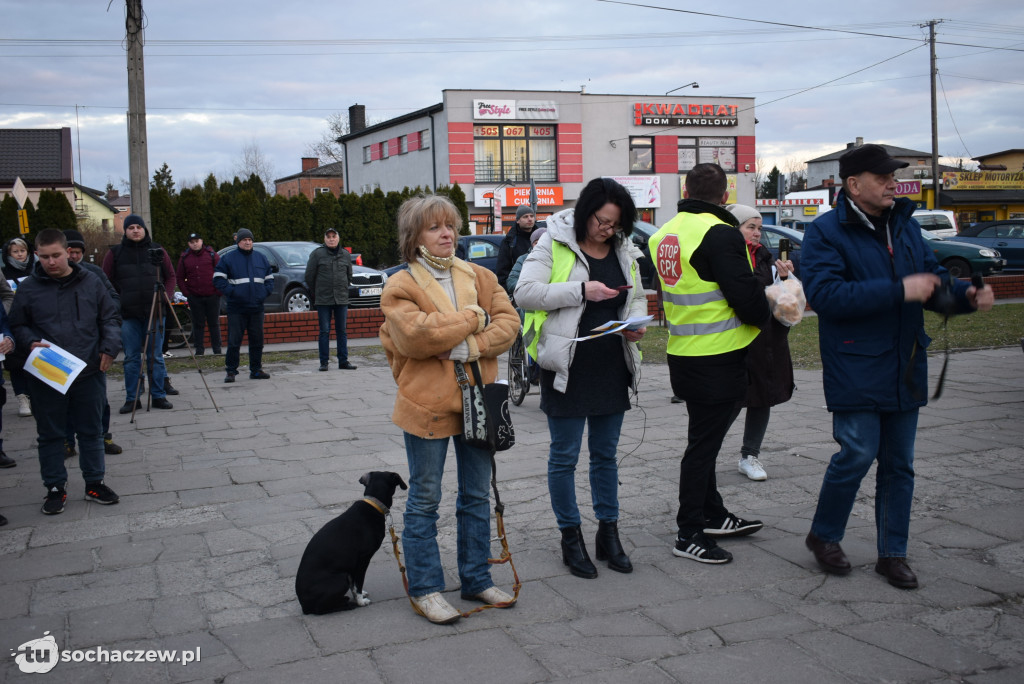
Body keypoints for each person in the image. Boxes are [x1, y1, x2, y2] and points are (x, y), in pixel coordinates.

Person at [801, 143, 994, 589]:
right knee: (856, 454)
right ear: (854, 184)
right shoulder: (826, 232)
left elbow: (930, 281)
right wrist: (899, 290)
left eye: (895, 176)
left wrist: (964, 297)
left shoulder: (904, 226)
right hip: (855, 363)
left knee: (900, 465)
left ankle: (893, 553)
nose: (894, 183)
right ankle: (824, 535)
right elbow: (827, 297)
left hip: (905, 362)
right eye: (884, 176)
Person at [380, 195, 519, 624]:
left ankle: (476, 577)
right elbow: (415, 338)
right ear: (414, 236)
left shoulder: (479, 275)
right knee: (424, 499)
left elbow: (510, 324)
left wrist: (466, 345)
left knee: (476, 496)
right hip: (426, 406)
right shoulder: (400, 284)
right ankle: (425, 588)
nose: (446, 234)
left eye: (451, 226)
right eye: (434, 227)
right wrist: (474, 319)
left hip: (479, 402)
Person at [514, 178, 647, 579]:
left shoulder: (623, 247)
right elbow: (525, 293)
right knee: (565, 457)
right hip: (565, 365)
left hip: (610, 363)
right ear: (586, 211)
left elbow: (635, 292)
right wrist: (580, 290)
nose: (607, 230)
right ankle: (570, 537)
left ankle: (609, 532)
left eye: (615, 224)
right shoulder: (553, 241)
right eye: (602, 222)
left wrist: (633, 323)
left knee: (605, 455)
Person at [648, 163, 771, 565]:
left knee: (704, 440)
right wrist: (767, 301)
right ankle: (689, 531)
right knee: (703, 447)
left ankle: (714, 515)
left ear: (686, 189)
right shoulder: (719, 233)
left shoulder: (663, 234)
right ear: (723, 197)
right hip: (719, 355)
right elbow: (745, 297)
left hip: (684, 352)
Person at [10, 229, 122, 515]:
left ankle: (94, 483)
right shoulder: (29, 288)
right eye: (44, 257)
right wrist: (28, 341)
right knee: (50, 435)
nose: (51, 262)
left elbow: (109, 317)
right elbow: (18, 325)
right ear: (37, 254)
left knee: (92, 431)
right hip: (46, 374)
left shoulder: (90, 282)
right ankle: (55, 488)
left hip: (88, 370)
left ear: (68, 253)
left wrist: (109, 348)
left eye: (56, 256)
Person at [722, 205, 795, 481]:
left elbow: (788, 308)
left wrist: (786, 279)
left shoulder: (766, 258)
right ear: (734, 228)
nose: (756, 233)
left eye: (759, 228)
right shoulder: (725, 258)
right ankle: (705, 453)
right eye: (750, 227)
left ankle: (750, 456)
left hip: (767, 339)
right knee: (729, 400)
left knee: (762, 397)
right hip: (735, 339)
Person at [101, 213, 176, 413]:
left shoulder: (158, 250)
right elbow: (105, 281)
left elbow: (170, 276)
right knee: (132, 357)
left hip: (155, 311)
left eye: (139, 227)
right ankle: (132, 398)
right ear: (125, 231)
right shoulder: (115, 253)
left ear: (145, 230)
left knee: (156, 357)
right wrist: (117, 300)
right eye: (131, 227)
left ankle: (159, 395)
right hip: (128, 314)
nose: (135, 230)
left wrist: (165, 295)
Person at [63, 230, 122, 455]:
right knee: (65, 399)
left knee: (98, 400)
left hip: (92, 347)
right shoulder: (45, 279)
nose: (73, 257)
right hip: (62, 350)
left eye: (77, 253)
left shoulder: (94, 274)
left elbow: (114, 300)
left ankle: (103, 437)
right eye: (69, 252)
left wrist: (100, 314)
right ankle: (67, 441)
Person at [214, 228, 274, 383]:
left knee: (257, 341)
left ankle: (256, 370)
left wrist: (263, 294)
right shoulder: (228, 258)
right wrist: (233, 293)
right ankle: (231, 371)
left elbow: (270, 280)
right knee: (234, 341)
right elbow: (218, 279)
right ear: (238, 241)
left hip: (256, 307)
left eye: (250, 239)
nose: (247, 242)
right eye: (244, 240)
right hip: (236, 308)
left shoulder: (261, 258)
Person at [304, 228, 357, 372]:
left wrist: (342, 289)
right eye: (329, 237)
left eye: (334, 236)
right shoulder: (317, 254)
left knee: (342, 331)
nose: (331, 239)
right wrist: (318, 292)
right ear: (325, 239)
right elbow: (309, 276)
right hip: (323, 299)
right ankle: (324, 362)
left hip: (341, 299)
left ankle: (343, 361)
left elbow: (349, 275)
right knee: (324, 331)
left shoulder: (345, 254)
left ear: (338, 238)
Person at [2, 237, 36, 418]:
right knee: (16, 364)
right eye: (15, 251)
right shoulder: (4, 273)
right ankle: (22, 396)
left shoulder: (36, 270)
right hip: (13, 323)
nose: (20, 254)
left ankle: (35, 395)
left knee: (34, 360)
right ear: (8, 254)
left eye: (22, 251)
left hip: (35, 323)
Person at [175, 232, 222, 356]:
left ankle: (217, 350)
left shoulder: (212, 255)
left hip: (212, 295)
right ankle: (199, 350)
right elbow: (179, 277)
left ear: (201, 241)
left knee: (214, 323)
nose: (195, 244)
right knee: (198, 324)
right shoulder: (185, 258)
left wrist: (218, 291)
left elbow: (222, 273)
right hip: (195, 297)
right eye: (192, 242)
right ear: (188, 244)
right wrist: (187, 293)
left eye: (197, 241)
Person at [495, 204, 538, 289]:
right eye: (525, 217)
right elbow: (502, 271)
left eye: (532, 216)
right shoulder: (509, 241)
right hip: (517, 289)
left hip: (539, 287)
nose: (529, 219)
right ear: (518, 220)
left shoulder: (542, 238)